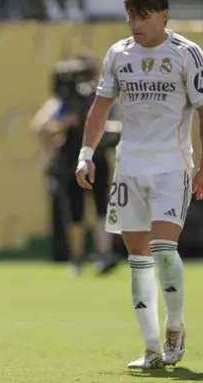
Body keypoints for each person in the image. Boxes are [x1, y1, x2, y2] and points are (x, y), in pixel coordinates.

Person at [75, 0, 203, 369]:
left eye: (143, 15)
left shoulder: (187, 53)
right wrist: (85, 154)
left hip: (171, 166)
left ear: (164, 15)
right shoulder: (118, 54)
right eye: (131, 15)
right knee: (137, 260)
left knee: (164, 249)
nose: (135, 23)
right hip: (128, 168)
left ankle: (174, 325)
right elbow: (101, 107)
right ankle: (151, 348)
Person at [33, 54, 119, 276]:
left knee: (101, 208)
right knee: (75, 212)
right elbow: (41, 126)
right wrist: (62, 127)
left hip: (95, 157)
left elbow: (113, 125)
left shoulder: (98, 99)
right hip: (72, 159)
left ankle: (103, 254)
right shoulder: (63, 102)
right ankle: (78, 257)